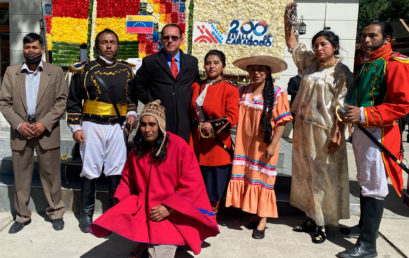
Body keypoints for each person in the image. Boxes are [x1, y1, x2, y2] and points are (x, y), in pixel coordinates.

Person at [90, 100, 219, 258]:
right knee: (124, 219)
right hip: (145, 206)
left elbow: (192, 186)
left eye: (152, 124)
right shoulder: (138, 149)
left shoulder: (180, 147)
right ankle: (145, 242)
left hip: (173, 210)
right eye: (143, 124)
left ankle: (167, 241)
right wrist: (122, 204)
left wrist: (168, 208)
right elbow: (127, 179)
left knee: (160, 253)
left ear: (161, 126)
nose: (147, 129)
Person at [337, 20, 409, 258]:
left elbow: (401, 105)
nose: (366, 40)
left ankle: (368, 245)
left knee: (374, 186)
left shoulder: (395, 64)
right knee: (364, 182)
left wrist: (365, 113)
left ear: (387, 39)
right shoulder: (367, 62)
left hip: (380, 132)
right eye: (364, 36)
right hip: (362, 130)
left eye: (372, 36)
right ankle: (364, 229)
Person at [284, 2, 353, 244]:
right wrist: (288, 17)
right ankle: (311, 217)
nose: (318, 48)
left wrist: (338, 134)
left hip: (325, 133)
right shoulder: (310, 64)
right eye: (316, 44)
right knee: (305, 176)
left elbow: (343, 107)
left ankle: (323, 223)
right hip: (303, 129)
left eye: (324, 44)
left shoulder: (342, 72)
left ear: (334, 47)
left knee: (323, 177)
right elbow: (293, 45)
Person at [66, 28, 137, 233]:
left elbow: (131, 98)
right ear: (98, 45)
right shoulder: (84, 69)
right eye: (104, 42)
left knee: (116, 170)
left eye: (112, 42)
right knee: (90, 170)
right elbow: (73, 100)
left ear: (117, 45)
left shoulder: (126, 70)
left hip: (117, 126)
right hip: (91, 125)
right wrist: (75, 127)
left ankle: (114, 214)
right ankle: (86, 214)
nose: (108, 46)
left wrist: (132, 113)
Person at [0, 33, 67, 233]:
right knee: (21, 176)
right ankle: (21, 216)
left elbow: (61, 101)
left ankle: (55, 212)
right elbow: (4, 103)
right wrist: (19, 124)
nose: (31, 51)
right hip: (21, 133)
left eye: (35, 48)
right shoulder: (12, 72)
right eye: (27, 48)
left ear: (42, 50)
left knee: (51, 175)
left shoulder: (55, 72)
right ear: (23, 50)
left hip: (46, 132)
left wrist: (44, 124)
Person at [225, 52, 292, 239]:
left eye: (261, 70)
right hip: (244, 145)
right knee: (249, 177)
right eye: (252, 69)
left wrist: (273, 145)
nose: (256, 73)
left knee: (263, 181)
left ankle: (263, 220)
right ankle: (256, 213)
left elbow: (282, 122)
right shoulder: (243, 91)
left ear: (268, 73)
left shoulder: (278, 93)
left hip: (264, 145)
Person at [190, 50, 239, 216]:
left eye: (216, 63)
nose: (211, 66)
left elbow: (232, 117)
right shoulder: (196, 86)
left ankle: (211, 215)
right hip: (196, 142)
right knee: (196, 183)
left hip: (216, 144)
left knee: (214, 184)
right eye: (208, 63)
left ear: (223, 66)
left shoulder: (229, 89)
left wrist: (212, 126)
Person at [131, 23, 200, 142]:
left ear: (181, 40)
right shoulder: (151, 62)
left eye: (174, 37)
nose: (170, 41)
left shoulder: (192, 62)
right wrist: (152, 102)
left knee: (180, 154)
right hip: (159, 119)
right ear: (161, 40)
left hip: (184, 121)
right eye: (166, 37)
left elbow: (196, 87)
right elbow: (137, 86)